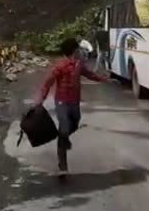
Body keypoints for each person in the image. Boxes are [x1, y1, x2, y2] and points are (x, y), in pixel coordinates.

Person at [32, 37, 112, 176]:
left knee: (75, 123)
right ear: (74, 51)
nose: (79, 51)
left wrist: (103, 79)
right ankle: (63, 165)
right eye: (78, 49)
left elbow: (89, 74)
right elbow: (47, 83)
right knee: (64, 128)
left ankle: (63, 138)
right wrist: (40, 100)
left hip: (74, 101)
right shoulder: (60, 66)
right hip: (62, 102)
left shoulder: (79, 64)